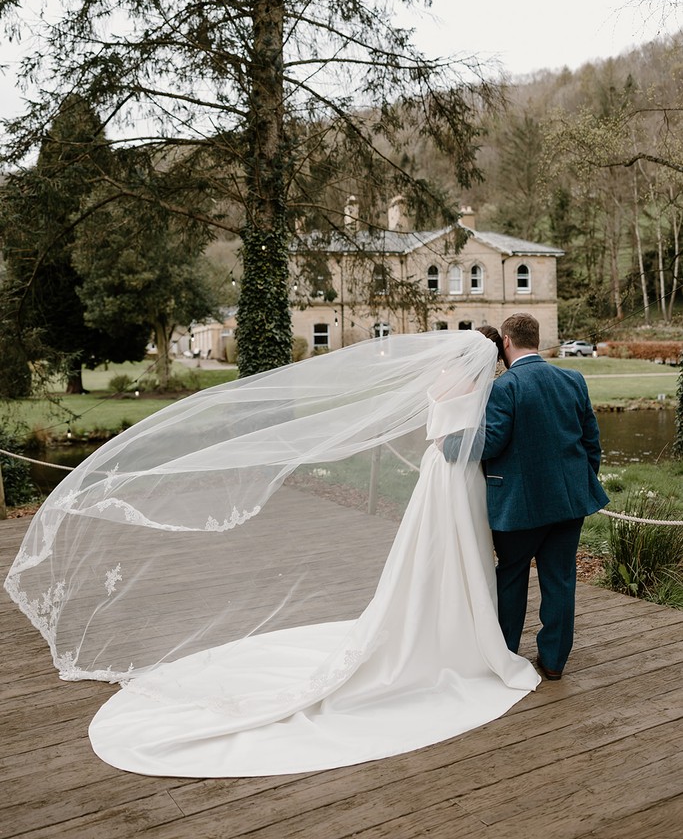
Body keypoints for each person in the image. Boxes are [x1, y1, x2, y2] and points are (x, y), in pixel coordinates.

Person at [5, 328, 540, 777]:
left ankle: (446, 625)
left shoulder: (444, 380)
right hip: (458, 477)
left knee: (432, 556)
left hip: (439, 476)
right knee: (457, 554)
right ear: (488, 357)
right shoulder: (481, 388)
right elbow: (480, 439)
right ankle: (461, 634)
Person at [443, 313, 609, 681]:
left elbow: (491, 442)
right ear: (536, 338)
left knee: (512, 577)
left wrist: (447, 445)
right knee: (560, 580)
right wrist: (577, 486)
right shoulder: (573, 379)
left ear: (506, 341)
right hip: (569, 504)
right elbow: (591, 444)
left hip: (517, 506)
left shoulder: (504, 387)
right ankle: (554, 661)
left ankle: (505, 655)